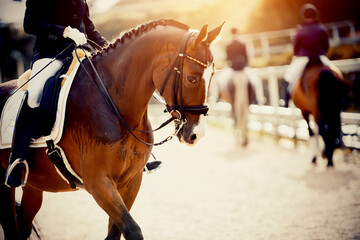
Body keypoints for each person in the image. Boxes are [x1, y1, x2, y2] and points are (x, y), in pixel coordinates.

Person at [4, 0, 107, 188]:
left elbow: (89, 29)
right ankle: (17, 159)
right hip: (50, 55)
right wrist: (63, 31)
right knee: (34, 94)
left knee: (108, 85)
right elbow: (30, 24)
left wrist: (108, 49)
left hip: (80, 54)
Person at [283, 3, 334, 106]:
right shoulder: (321, 28)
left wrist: (297, 55)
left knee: (288, 77)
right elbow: (326, 45)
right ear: (315, 15)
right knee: (335, 73)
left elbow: (296, 48)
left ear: (303, 16)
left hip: (303, 58)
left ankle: (285, 101)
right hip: (320, 57)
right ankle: (343, 95)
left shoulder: (300, 30)